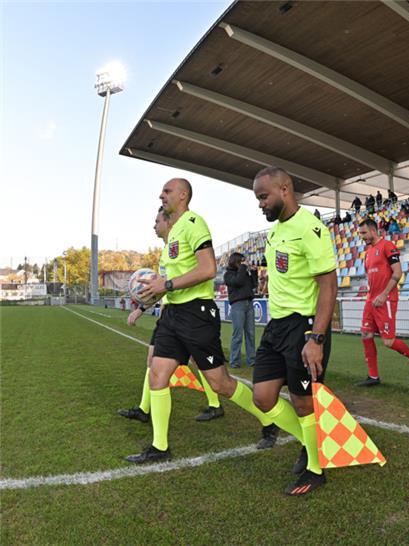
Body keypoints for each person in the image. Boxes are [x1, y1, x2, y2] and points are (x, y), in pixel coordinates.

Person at [127, 178, 280, 464]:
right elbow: (167, 282)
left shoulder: (194, 223)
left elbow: (209, 268)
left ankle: (268, 419)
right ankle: (160, 447)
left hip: (196, 315)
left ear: (183, 196)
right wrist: (148, 298)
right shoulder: (171, 236)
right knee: (157, 374)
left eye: (167, 191)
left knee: (221, 384)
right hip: (173, 315)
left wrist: (167, 284)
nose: (161, 195)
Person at [251, 166, 338, 495]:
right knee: (263, 397)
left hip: (304, 327)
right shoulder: (274, 234)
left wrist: (316, 338)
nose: (260, 204)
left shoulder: (311, 228)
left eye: (263, 196)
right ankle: (312, 441)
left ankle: (316, 470)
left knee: (303, 403)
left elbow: (328, 286)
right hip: (276, 326)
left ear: (284, 189)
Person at [118, 207, 224, 424]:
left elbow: (193, 276)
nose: (154, 225)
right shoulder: (166, 254)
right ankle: (144, 409)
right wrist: (141, 308)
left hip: (191, 312)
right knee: (153, 360)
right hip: (170, 315)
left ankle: (215, 404)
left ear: (168, 222)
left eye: (157, 221)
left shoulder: (185, 244)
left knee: (202, 364)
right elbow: (162, 289)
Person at [357, 219, 409, 386]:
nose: (362, 237)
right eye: (360, 234)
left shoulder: (387, 246)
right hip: (371, 300)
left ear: (373, 230)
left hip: (385, 300)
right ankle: (373, 376)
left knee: (388, 342)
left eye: (364, 233)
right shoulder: (368, 251)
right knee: (365, 335)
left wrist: (384, 294)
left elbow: (398, 272)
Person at [223, 252, 257, 369]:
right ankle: (234, 361)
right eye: (242, 261)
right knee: (237, 334)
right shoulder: (228, 274)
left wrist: (253, 272)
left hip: (249, 303)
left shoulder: (244, 272)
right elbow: (238, 282)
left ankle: (251, 360)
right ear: (236, 261)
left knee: (251, 334)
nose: (244, 262)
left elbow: (253, 285)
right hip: (237, 305)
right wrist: (243, 268)